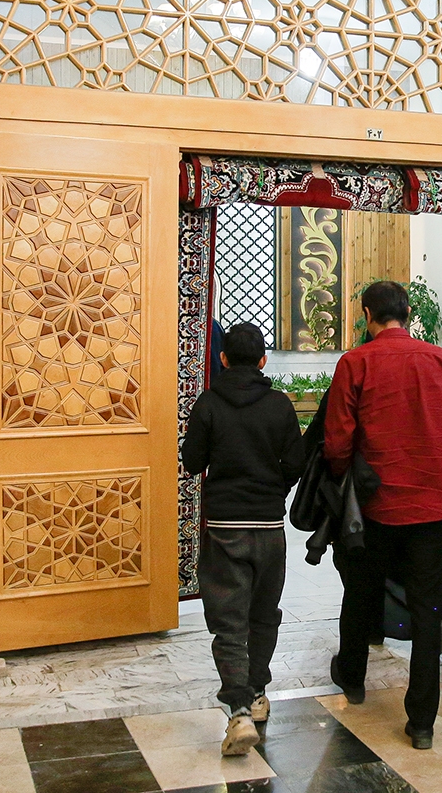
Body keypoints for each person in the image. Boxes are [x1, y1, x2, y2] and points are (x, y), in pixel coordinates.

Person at [325, 280, 442, 751]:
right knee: (428, 609)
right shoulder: (441, 360)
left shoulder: (355, 362)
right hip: (431, 503)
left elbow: (338, 442)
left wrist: (344, 480)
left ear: (367, 315)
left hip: (375, 505)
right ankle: (422, 721)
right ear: (406, 312)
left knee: (360, 591)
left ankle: (353, 678)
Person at [181, 322, 303, 757]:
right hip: (269, 528)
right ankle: (257, 693)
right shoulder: (279, 405)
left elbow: (192, 461)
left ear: (223, 358)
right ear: (263, 360)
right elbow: (296, 462)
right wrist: (274, 490)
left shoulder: (208, 403)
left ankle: (239, 711)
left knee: (229, 622)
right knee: (264, 615)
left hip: (225, 527)